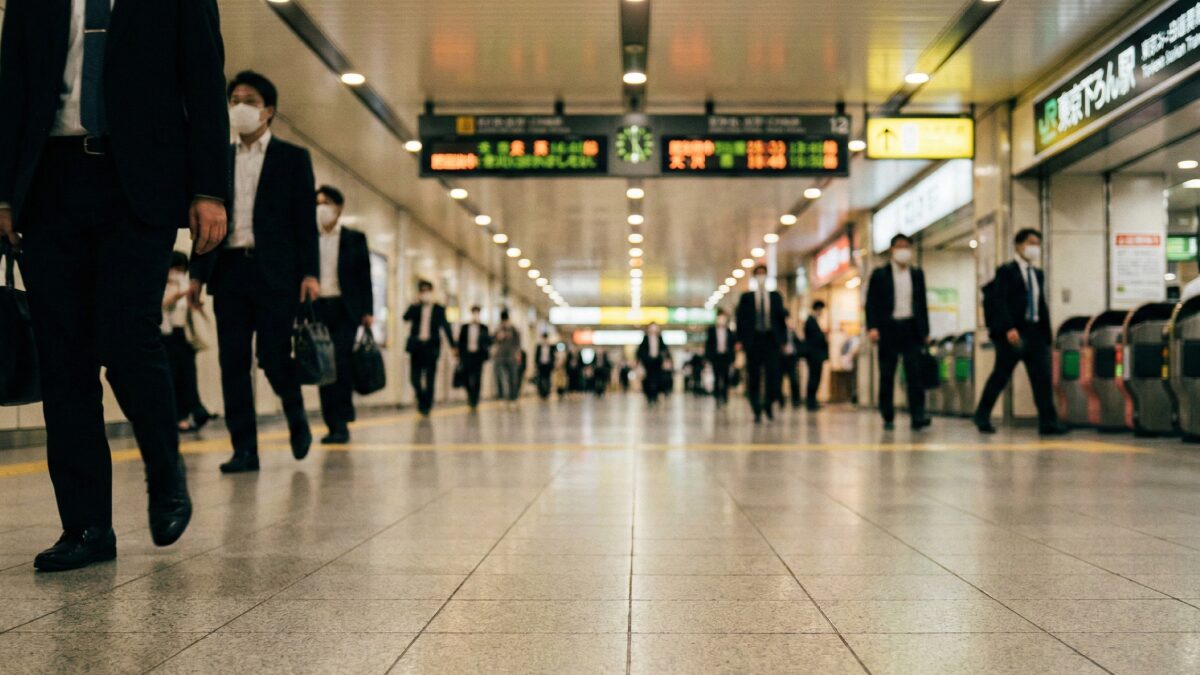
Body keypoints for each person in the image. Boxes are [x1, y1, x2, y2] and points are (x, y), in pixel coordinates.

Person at [0, 0, 228, 570]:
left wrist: (210, 190)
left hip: (139, 189)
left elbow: (203, 84)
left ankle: (165, 470)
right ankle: (86, 527)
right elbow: (10, 91)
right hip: (50, 186)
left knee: (128, 338)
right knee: (64, 360)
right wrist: (4, 193)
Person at [190, 71, 320, 474]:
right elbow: (202, 218)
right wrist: (196, 275)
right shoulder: (218, 158)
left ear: (268, 111)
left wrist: (310, 274)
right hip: (228, 270)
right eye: (233, 99)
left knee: (273, 356)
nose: (238, 107)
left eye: (248, 100)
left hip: (275, 273)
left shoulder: (293, 158)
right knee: (233, 362)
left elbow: (304, 221)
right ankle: (244, 448)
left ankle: (295, 414)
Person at [974, 229, 1068, 436]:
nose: (1034, 247)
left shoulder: (1037, 273)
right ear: (1018, 245)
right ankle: (982, 415)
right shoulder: (1006, 271)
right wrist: (1008, 328)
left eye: (1037, 243)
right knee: (1001, 375)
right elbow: (1000, 301)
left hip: (1035, 332)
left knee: (1042, 379)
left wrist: (1047, 335)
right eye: (1030, 242)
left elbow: (1039, 303)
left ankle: (1048, 423)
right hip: (1014, 333)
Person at [314, 185, 373, 444]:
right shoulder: (308, 238)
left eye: (325, 202)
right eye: (317, 203)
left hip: (345, 309)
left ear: (338, 208)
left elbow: (365, 277)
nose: (320, 208)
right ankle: (331, 422)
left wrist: (367, 311)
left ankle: (342, 421)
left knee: (341, 364)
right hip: (318, 308)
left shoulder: (354, 238)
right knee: (322, 367)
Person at [865, 233, 931, 431]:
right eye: (899, 247)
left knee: (915, 375)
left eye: (907, 247)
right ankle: (888, 415)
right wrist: (872, 327)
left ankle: (917, 415)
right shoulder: (880, 274)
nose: (904, 251)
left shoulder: (917, 274)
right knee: (887, 375)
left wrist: (925, 331)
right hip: (888, 329)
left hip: (911, 329)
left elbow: (922, 304)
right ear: (892, 250)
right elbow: (871, 303)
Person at [162, 252, 215, 433]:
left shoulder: (186, 283)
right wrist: (177, 294)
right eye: (175, 269)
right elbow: (162, 306)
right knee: (173, 377)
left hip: (183, 335)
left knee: (188, 376)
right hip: (166, 335)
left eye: (181, 269)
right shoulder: (162, 284)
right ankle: (183, 416)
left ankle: (194, 410)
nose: (177, 273)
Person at [736, 265, 788, 422]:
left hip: (771, 341)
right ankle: (756, 408)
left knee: (773, 374)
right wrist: (739, 340)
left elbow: (781, 321)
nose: (761, 277)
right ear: (754, 277)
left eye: (763, 274)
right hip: (754, 342)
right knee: (754, 376)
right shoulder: (746, 298)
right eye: (758, 274)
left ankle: (769, 405)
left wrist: (783, 341)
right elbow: (741, 321)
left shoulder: (776, 297)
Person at [403, 280, 455, 416]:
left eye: (427, 291)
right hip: (417, 347)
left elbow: (446, 327)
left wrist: (453, 346)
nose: (425, 294)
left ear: (432, 292)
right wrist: (414, 303)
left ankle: (427, 406)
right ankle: (422, 400)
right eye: (422, 291)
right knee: (414, 378)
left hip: (431, 348)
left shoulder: (439, 309)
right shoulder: (415, 307)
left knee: (430, 378)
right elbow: (405, 317)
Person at [457, 305, 491, 410]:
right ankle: (470, 395)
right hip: (467, 356)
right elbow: (460, 342)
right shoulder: (465, 327)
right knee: (466, 377)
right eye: (474, 312)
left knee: (477, 378)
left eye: (477, 312)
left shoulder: (484, 328)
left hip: (478, 357)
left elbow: (488, 342)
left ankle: (475, 400)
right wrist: (459, 354)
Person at [493, 310, 523, 407]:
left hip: (511, 357)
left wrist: (517, 354)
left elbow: (518, 342)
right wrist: (498, 338)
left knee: (512, 378)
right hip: (499, 357)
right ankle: (501, 398)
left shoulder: (513, 329)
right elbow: (492, 340)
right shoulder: (498, 329)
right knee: (499, 378)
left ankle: (513, 398)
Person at [804, 301, 830, 411]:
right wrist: (823, 335)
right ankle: (811, 402)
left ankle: (812, 400)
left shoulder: (812, 321)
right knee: (814, 378)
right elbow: (815, 338)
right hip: (814, 356)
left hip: (815, 355)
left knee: (815, 378)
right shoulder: (810, 321)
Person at [705, 309, 735, 405]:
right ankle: (717, 396)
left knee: (725, 377)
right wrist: (708, 357)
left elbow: (732, 346)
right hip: (716, 357)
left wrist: (732, 359)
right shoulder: (711, 331)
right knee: (717, 377)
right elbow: (708, 345)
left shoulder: (729, 331)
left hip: (726, 357)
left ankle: (725, 396)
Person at [638, 322, 669, 405]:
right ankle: (649, 396)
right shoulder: (645, 338)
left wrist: (666, 360)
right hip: (648, 363)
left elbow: (665, 350)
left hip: (658, 363)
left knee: (658, 380)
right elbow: (640, 351)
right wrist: (641, 362)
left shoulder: (660, 338)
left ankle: (655, 396)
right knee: (648, 380)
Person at [781, 318, 804, 409]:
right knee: (779, 380)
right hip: (782, 359)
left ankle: (796, 400)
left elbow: (799, 344)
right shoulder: (781, 333)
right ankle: (780, 400)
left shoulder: (793, 332)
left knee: (793, 379)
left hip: (791, 359)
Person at [534, 333, 556, 399]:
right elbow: (536, 356)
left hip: (548, 365)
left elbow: (553, 356)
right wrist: (536, 364)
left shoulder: (551, 347)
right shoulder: (539, 347)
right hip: (541, 365)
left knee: (548, 379)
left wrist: (553, 364)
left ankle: (547, 393)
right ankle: (541, 393)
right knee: (541, 379)